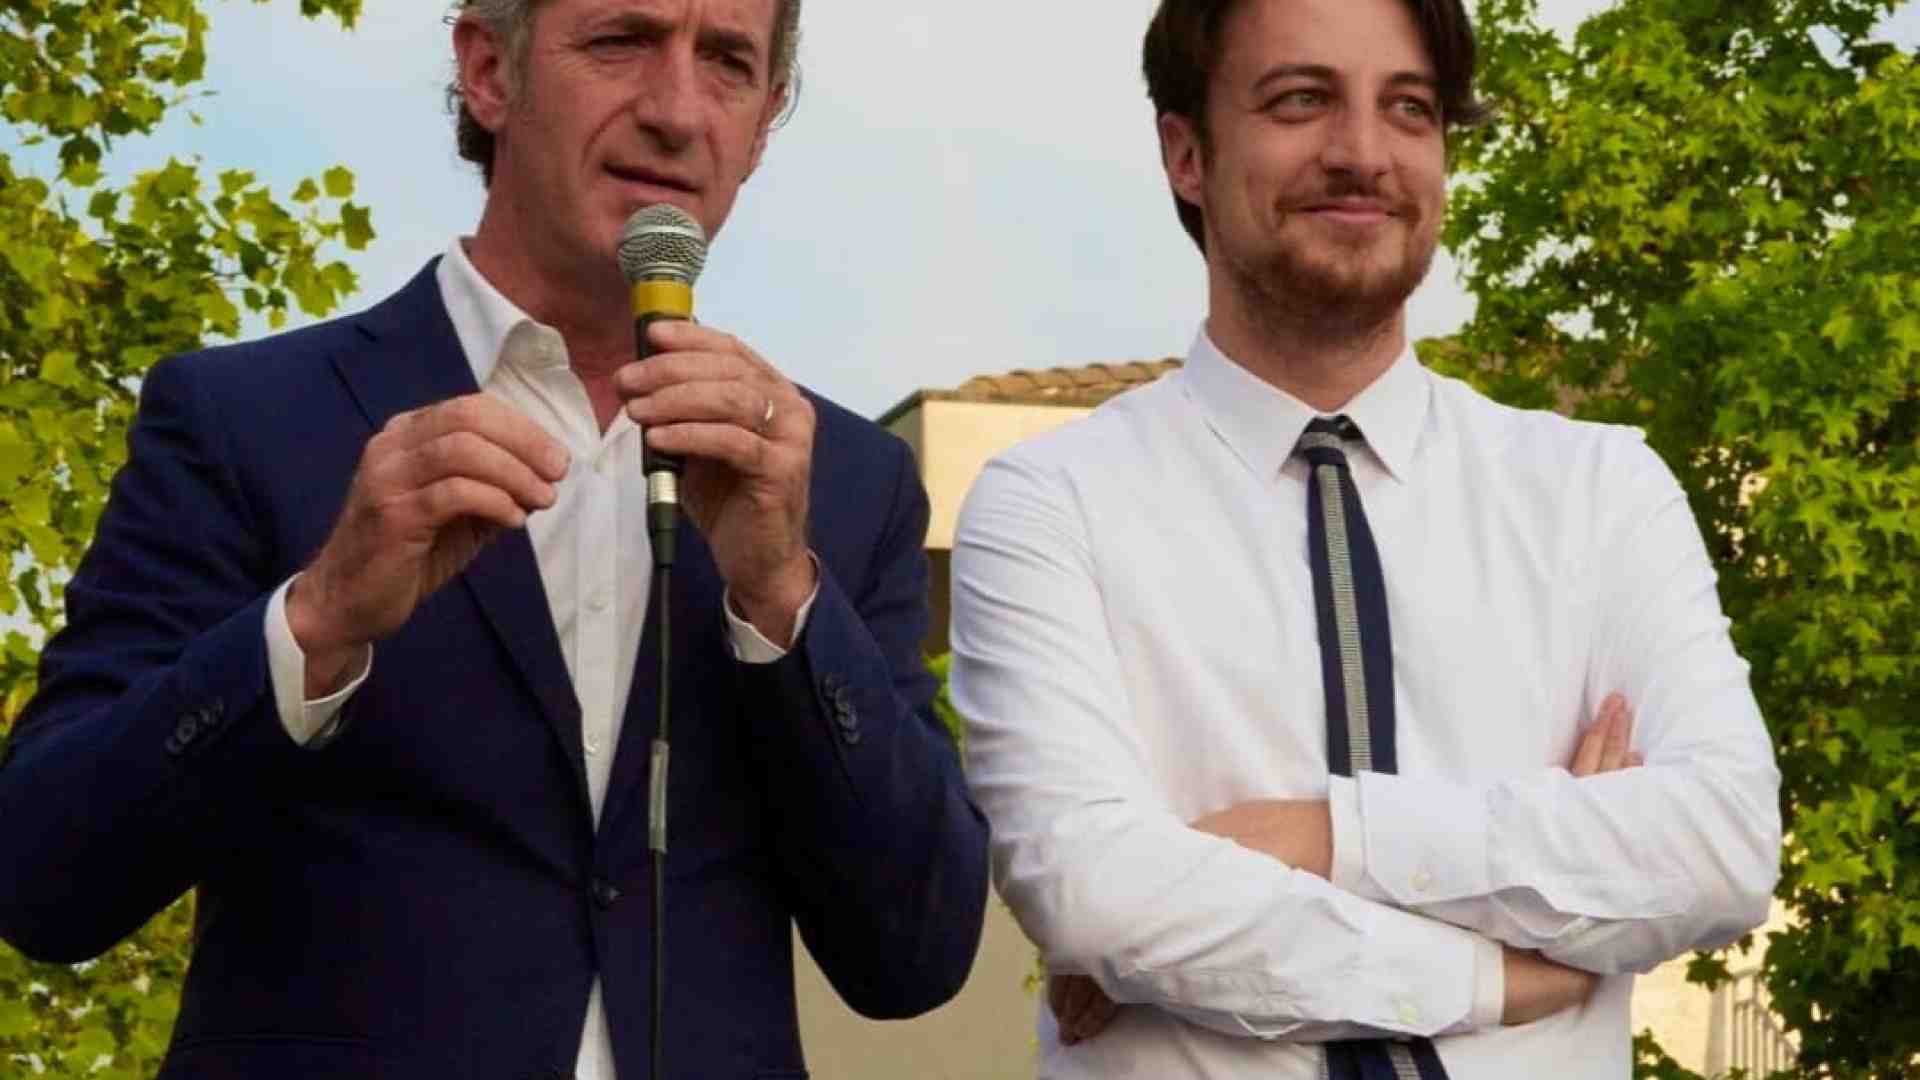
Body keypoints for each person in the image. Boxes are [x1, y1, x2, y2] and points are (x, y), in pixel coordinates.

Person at [0, 1, 989, 1077]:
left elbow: (916, 956)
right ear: (488, 70)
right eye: (621, 40)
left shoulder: (841, 482)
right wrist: (315, 623)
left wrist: (783, 597)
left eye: (727, 62)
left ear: (761, 125)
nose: (675, 110)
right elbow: (43, 879)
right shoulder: (244, 420)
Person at [949, 0, 1781, 1077]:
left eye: (1410, 108)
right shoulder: (1046, 506)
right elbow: (1098, 897)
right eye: (1301, 100)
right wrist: (1500, 969)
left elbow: (1720, 846)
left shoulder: (1601, 492)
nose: (1362, 154)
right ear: (1187, 153)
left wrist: (1322, 838)